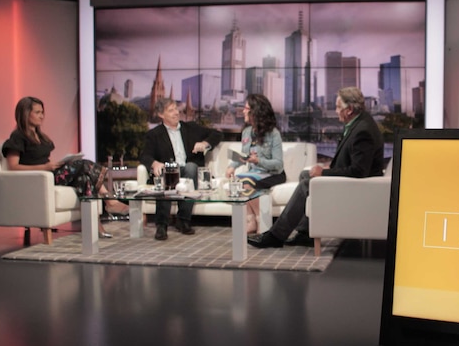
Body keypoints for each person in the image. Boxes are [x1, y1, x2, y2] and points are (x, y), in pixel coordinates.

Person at [248, 86, 384, 249]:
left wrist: (324, 172)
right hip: (353, 185)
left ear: (349, 110)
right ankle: (305, 233)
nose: (335, 111)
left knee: (307, 183)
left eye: (338, 107)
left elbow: (358, 171)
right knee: (306, 175)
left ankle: (276, 236)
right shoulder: (359, 123)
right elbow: (353, 161)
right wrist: (326, 168)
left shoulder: (363, 131)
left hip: (357, 191)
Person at [2, 96, 123, 239]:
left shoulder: (39, 135)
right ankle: (109, 199)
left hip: (49, 174)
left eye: (42, 112)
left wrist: (53, 165)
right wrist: (45, 167)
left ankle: (96, 228)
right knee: (84, 164)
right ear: (25, 113)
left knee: (85, 180)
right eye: (37, 112)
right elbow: (13, 167)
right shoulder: (17, 137)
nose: (42, 116)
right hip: (39, 179)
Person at [139, 97, 223, 241]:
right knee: (168, 176)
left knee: (191, 168)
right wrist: (154, 164)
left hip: (187, 169)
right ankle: (161, 226)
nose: (176, 113)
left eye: (176, 109)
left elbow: (217, 134)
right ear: (161, 115)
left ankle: (183, 220)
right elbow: (144, 156)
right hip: (169, 170)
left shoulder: (190, 128)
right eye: (170, 110)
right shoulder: (154, 135)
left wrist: (205, 143)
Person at [225, 93, 286, 234]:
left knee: (246, 181)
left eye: (247, 108)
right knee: (235, 183)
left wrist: (258, 160)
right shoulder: (246, 132)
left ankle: (261, 221)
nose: (244, 111)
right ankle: (251, 220)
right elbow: (244, 156)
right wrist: (231, 167)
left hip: (274, 173)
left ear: (256, 111)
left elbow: (278, 164)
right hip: (255, 173)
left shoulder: (273, 133)